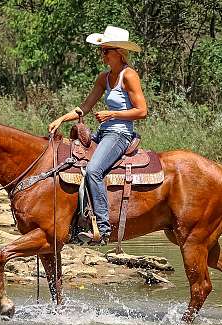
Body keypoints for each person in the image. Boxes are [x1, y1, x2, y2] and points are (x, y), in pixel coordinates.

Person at [48, 26, 148, 245]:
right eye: (101, 51)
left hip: (120, 134)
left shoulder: (128, 76)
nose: (101, 55)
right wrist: (61, 119)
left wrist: (113, 113)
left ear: (118, 52)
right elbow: (84, 107)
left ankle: (103, 229)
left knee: (93, 170)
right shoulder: (104, 78)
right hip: (103, 132)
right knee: (70, 162)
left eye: (105, 51)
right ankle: (77, 219)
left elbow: (142, 111)